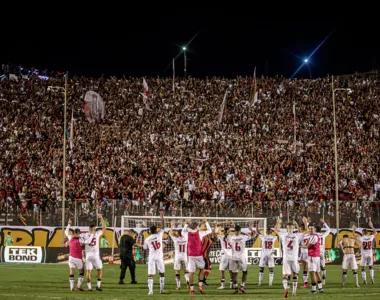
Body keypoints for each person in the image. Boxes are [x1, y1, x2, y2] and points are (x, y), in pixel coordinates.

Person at [274, 219, 304, 298]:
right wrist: (303, 223)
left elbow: (275, 230)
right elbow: (306, 231)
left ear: (287, 228)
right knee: (295, 274)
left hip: (286, 258)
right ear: (293, 228)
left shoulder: (283, 235)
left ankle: (286, 288)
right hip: (294, 258)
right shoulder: (297, 235)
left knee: (285, 275)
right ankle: (294, 292)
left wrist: (277, 223)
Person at [182, 217, 212, 295]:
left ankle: (192, 290)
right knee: (202, 269)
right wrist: (206, 222)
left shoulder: (187, 234)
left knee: (191, 273)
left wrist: (186, 224)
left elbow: (182, 232)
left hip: (191, 256)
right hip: (199, 255)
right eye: (198, 226)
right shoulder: (200, 233)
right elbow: (210, 230)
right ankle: (200, 285)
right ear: (196, 227)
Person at [225, 223, 256, 294]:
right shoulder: (243, 237)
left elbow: (225, 239)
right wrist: (251, 229)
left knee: (234, 273)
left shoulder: (231, 237)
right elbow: (253, 235)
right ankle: (242, 286)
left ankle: (236, 288)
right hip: (241, 257)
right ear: (240, 230)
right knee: (245, 272)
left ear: (234, 230)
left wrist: (227, 233)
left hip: (233, 257)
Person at [82, 214, 107, 291]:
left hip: (88, 256)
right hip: (96, 256)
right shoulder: (97, 234)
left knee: (88, 272)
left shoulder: (85, 235)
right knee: (99, 270)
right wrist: (101, 218)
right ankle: (98, 286)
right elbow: (104, 227)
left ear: (89, 229)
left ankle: (89, 288)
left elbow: (80, 240)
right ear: (94, 229)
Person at [143, 211, 165, 295]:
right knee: (162, 273)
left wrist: (144, 257)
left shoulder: (147, 239)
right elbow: (163, 227)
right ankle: (162, 290)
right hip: (159, 257)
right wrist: (162, 217)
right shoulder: (159, 235)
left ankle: (150, 291)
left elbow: (144, 248)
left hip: (151, 258)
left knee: (150, 275)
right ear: (156, 230)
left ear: (150, 231)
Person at [64, 219, 87, 292]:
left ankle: (71, 288)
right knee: (82, 272)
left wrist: (69, 224)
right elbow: (86, 243)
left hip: (71, 258)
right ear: (77, 233)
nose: (79, 234)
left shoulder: (70, 237)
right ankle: (78, 286)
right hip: (77, 259)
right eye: (78, 233)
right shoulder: (80, 240)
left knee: (71, 272)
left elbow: (66, 232)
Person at [302, 221, 323, 294]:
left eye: (312, 229)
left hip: (312, 257)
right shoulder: (315, 236)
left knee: (312, 272)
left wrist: (299, 246)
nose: (310, 230)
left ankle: (314, 290)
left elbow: (308, 246)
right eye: (309, 229)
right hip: (316, 257)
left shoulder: (314, 236)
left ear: (315, 229)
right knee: (317, 272)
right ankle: (320, 288)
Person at [169, 220, 189, 290]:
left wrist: (172, 226)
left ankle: (178, 286)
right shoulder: (186, 238)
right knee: (186, 270)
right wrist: (186, 225)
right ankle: (187, 281)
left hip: (178, 256)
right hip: (184, 256)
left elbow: (170, 233)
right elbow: (185, 231)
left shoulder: (176, 239)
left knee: (177, 271)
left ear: (178, 233)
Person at [215, 224, 233, 290]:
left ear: (224, 231)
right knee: (231, 271)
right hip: (231, 255)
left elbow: (215, 233)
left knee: (222, 271)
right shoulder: (232, 237)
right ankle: (231, 285)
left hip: (224, 255)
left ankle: (222, 286)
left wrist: (217, 227)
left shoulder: (221, 236)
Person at [315, 219, 331, 285]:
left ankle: (317, 280)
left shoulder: (314, 235)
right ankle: (323, 280)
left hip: (316, 252)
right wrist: (324, 223)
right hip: (322, 252)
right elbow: (329, 230)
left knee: (316, 267)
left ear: (315, 230)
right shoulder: (323, 235)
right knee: (323, 267)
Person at [299, 224, 309, 288]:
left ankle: (306, 283)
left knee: (304, 268)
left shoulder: (301, 235)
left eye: (300, 228)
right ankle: (306, 283)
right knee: (306, 269)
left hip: (303, 252)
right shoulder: (308, 234)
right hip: (308, 252)